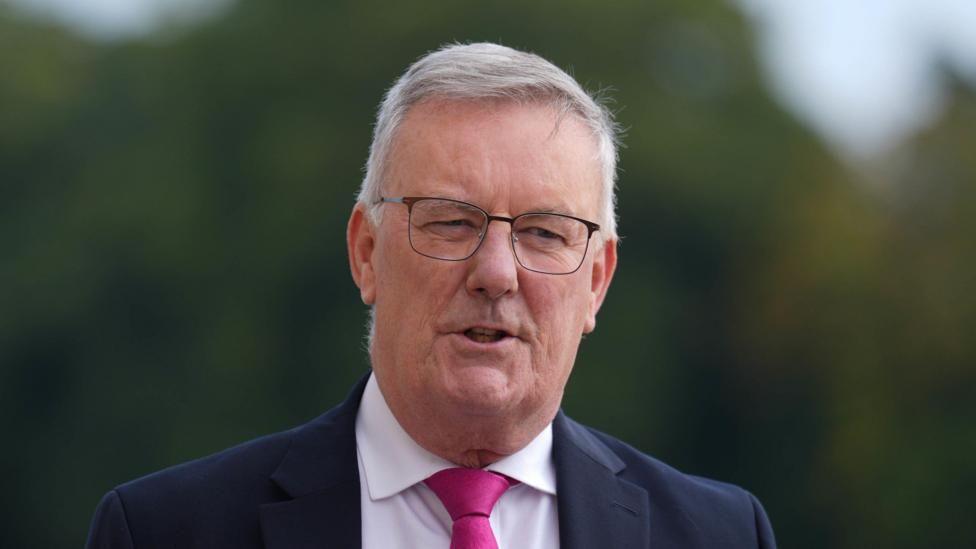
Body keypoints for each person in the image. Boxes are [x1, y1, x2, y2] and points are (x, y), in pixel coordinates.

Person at [86, 42, 776, 549]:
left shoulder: (719, 534)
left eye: (543, 232)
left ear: (597, 279)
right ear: (366, 252)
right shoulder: (163, 531)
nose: (497, 272)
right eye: (451, 222)